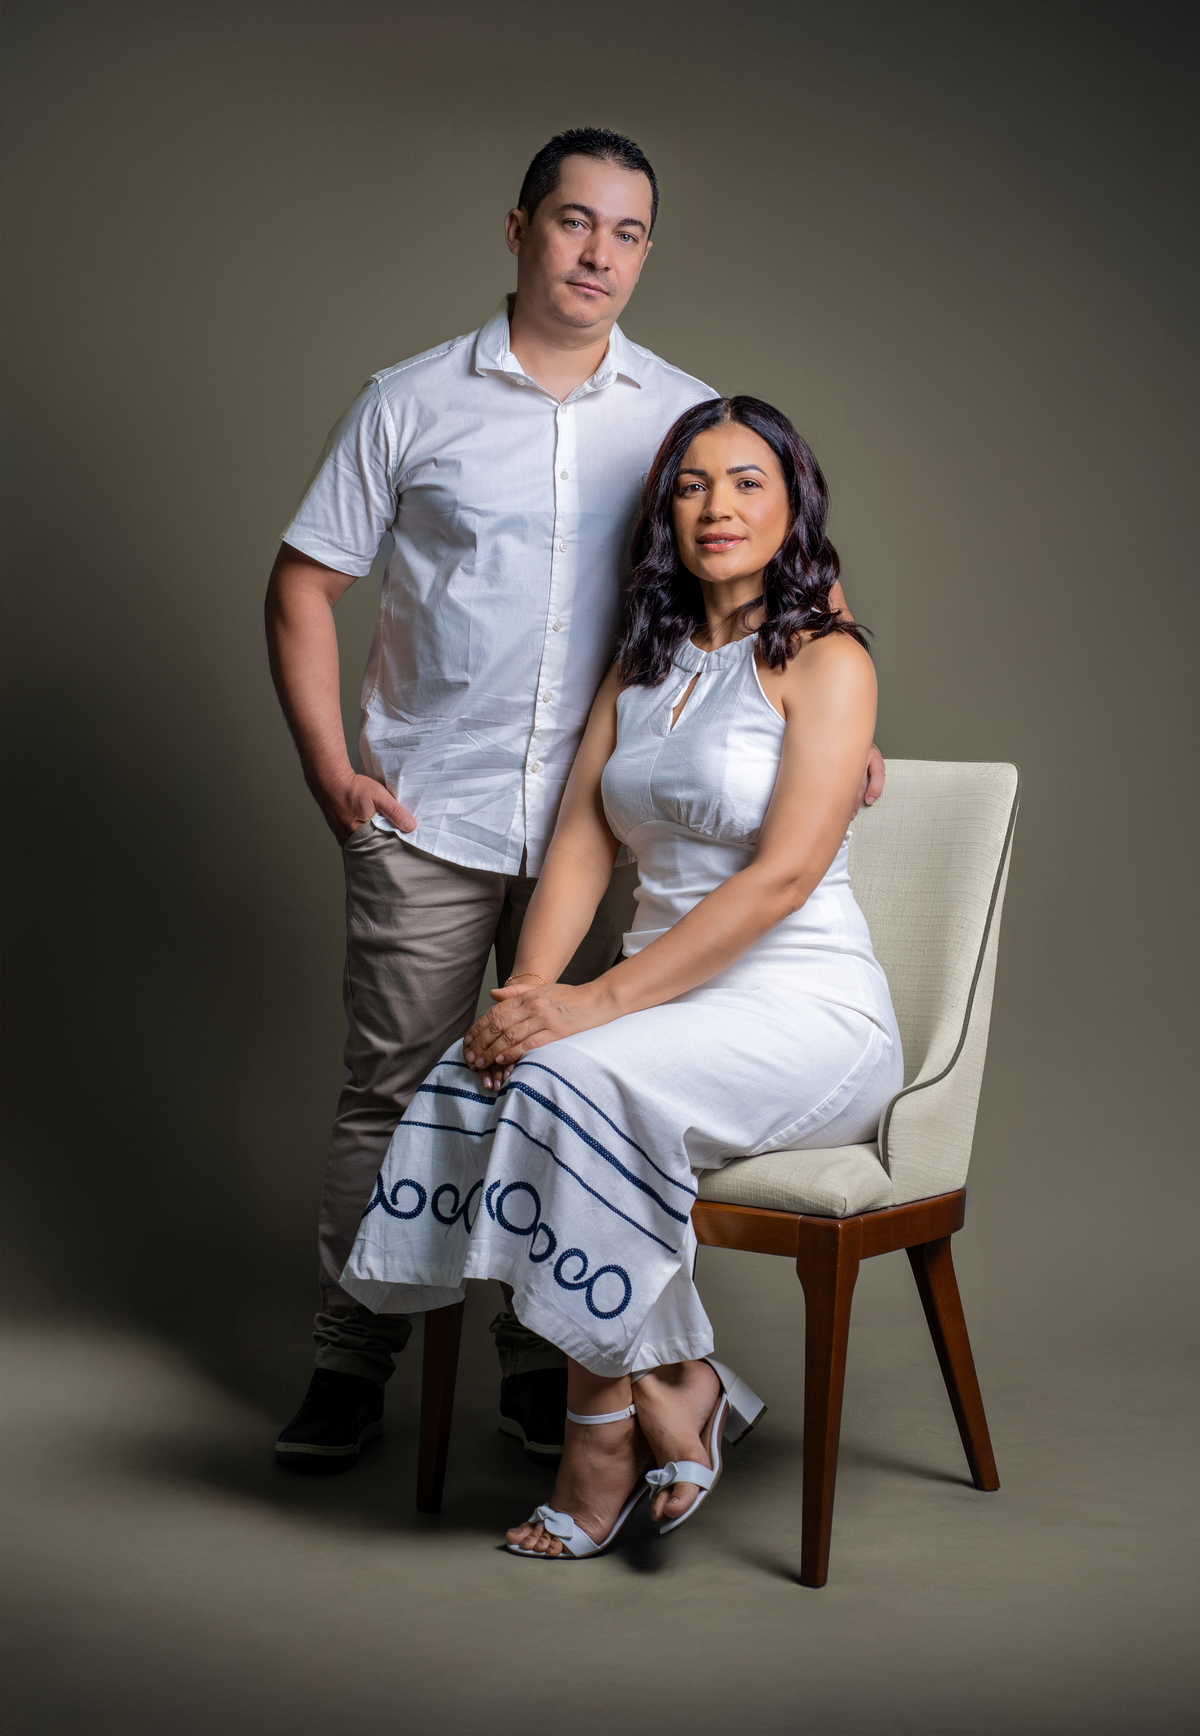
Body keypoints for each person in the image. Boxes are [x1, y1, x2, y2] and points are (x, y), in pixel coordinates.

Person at [266, 127, 884, 1472]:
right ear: (520, 230)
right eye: (573, 222)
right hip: (434, 812)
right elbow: (305, 582)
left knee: (565, 1080)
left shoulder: (680, 412)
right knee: (395, 1089)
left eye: (628, 232)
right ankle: (349, 1362)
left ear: (646, 252)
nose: (599, 254)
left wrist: (844, 728)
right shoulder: (409, 400)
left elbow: (786, 552)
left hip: (613, 828)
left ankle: (544, 1368)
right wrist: (333, 772)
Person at [338, 394, 903, 1557]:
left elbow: (784, 878)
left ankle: (598, 1432)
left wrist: (586, 1006)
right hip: (662, 1007)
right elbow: (585, 845)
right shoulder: (643, 661)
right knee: (482, 1077)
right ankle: (679, 1381)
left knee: (567, 1081)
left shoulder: (829, 660)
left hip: (804, 1013)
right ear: (665, 515)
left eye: (746, 482)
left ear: (794, 505)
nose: (717, 507)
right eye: (691, 486)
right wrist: (524, 999)